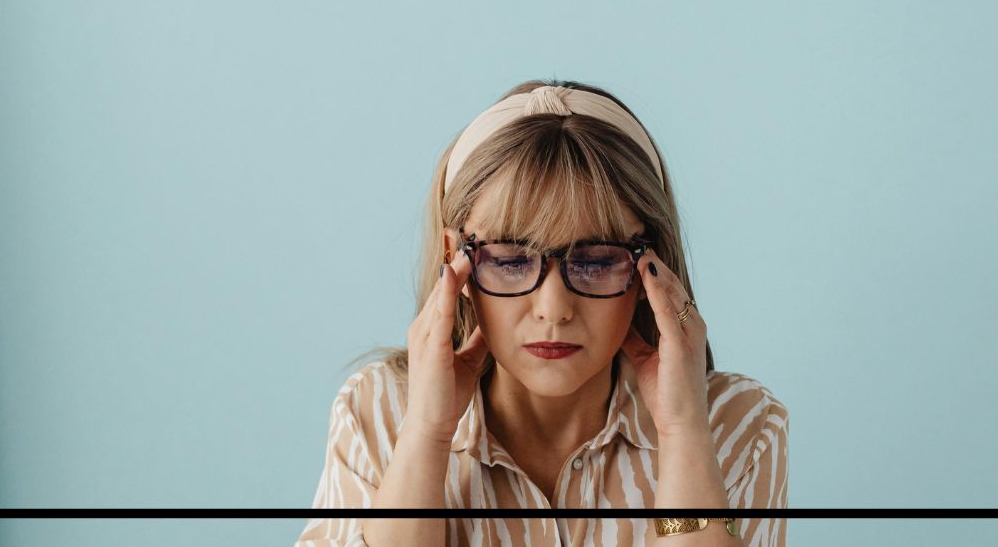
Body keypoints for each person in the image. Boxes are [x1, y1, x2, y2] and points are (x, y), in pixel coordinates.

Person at [294, 80, 788, 546]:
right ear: (454, 259)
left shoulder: (738, 423)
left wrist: (683, 432)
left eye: (597, 261)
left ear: (649, 266)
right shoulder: (377, 411)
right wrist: (426, 432)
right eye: (510, 260)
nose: (554, 311)